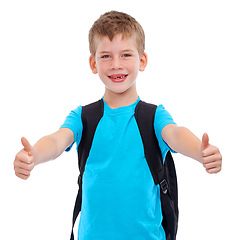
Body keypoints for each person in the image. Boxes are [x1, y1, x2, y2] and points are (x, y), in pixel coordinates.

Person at [14, 11, 222, 240]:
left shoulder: (153, 116)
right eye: (105, 56)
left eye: (125, 55)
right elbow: (57, 140)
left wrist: (200, 153)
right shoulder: (84, 116)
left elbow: (175, 134)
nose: (116, 65)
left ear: (141, 60)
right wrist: (34, 154)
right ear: (93, 63)